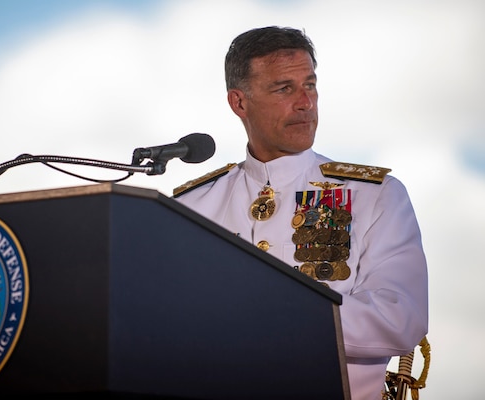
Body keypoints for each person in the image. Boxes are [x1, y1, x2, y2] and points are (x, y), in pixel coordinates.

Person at [173, 26, 428, 400]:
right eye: (284, 88)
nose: (305, 103)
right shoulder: (191, 207)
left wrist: (272, 315)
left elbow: (400, 319)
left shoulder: (374, 195)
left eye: (310, 85)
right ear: (239, 103)